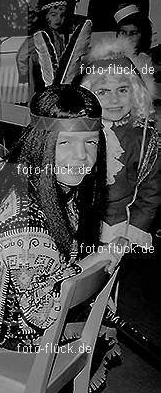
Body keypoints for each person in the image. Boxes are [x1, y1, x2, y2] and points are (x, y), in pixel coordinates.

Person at [0, 84, 119, 353]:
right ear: (41, 144)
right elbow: (39, 312)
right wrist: (90, 265)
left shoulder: (55, 186)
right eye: (64, 142)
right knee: (104, 336)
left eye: (90, 142)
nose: (81, 156)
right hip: (19, 338)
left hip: (45, 311)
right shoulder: (24, 223)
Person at [76, 37, 161, 251]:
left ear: (136, 93)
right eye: (103, 92)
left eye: (122, 90)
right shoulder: (79, 133)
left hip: (123, 228)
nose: (114, 100)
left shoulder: (143, 137)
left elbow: (151, 191)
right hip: (80, 226)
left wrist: (134, 231)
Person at [16, 0, 78, 97]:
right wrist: (24, 76)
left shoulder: (58, 36)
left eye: (62, 15)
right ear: (44, 16)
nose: (58, 19)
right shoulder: (37, 37)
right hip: (40, 76)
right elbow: (21, 56)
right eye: (53, 15)